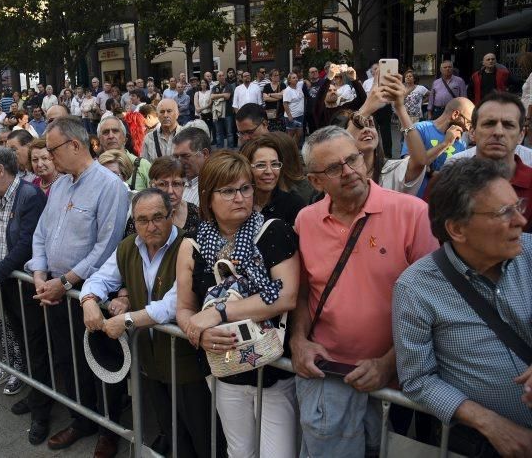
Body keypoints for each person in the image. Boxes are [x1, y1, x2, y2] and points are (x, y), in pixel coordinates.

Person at [291, 126, 439, 456]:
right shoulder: (305, 221)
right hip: (327, 376)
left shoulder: (412, 213)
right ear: (315, 181)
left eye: (352, 159)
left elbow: (434, 303)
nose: (348, 171)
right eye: (333, 168)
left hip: (397, 381)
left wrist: (390, 363)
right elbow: (301, 293)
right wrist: (298, 341)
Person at [393, 158, 532, 458]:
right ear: (457, 229)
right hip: (487, 447)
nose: (521, 221)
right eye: (504, 212)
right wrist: (491, 424)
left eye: (517, 206)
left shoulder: (531, 253)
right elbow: (417, 379)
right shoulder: (416, 287)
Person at [175, 151, 299, 458]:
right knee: (240, 451)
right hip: (224, 366)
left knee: (278, 454)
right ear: (207, 196)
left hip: (271, 368)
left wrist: (217, 312)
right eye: (228, 190)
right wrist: (198, 332)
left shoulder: (273, 231)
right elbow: (184, 309)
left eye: (245, 188)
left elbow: (286, 295)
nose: (239, 197)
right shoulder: (192, 244)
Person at [82, 189, 216, 457]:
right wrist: (88, 300)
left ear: (171, 216)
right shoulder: (129, 246)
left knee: (204, 435)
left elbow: (171, 305)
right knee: (172, 433)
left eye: (158, 217)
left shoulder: (188, 246)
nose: (151, 226)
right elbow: (100, 278)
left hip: (187, 364)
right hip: (150, 362)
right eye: (142, 220)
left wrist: (127, 320)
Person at [28, 116, 129, 455]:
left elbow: (108, 246)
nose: (48, 157)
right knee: (68, 359)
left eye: (52, 149)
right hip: (56, 290)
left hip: (91, 293)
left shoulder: (109, 185)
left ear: (74, 144)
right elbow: (41, 233)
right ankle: (81, 419)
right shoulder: (58, 185)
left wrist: (66, 280)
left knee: (101, 362)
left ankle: (109, 429)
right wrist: (41, 274)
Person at [0, 147, 50, 442]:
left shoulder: (29, 196)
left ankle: (42, 412)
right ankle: (36, 395)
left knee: (37, 347)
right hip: (6, 283)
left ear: (0, 171)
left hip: (27, 285)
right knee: (24, 343)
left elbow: (26, 245)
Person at [445, 91, 532, 231]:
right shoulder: (449, 181)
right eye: (489, 124)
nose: (498, 132)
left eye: (508, 125)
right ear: (472, 132)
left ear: (521, 135)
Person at [335, 72, 427, 196]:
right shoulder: (338, 172)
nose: (366, 129)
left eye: (371, 124)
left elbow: (420, 161)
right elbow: (336, 151)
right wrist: (366, 108)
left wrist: (400, 107)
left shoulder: (391, 170)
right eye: (360, 126)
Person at [401, 96, 474, 197]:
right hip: (416, 200)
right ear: (455, 114)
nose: (467, 129)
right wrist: (445, 144)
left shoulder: (461, 143)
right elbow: (408, 165)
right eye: (469, 123)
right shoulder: (420, 129)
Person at [126, 157, 201, 239]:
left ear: (183, 186)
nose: (170, 191)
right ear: (152, 186)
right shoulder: (140, 213)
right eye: (162, 184)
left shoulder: (195, 213)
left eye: (176, 184)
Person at [241, 136, 307, 225]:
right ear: (246, 168)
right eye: (261, 165)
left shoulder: (294, 204)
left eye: (274, 164)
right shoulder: (237, 203)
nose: (269, 171)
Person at [98, 116, 151, 191]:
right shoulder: (96, 169)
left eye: (115, 131)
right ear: (99, 139)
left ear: (124, 138)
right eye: (105, 132)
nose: (111, 136)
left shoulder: (143, 166)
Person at [172, 127, 211, 206]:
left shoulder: (216, 186)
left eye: (185, 156)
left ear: (204, 154)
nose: (179, 161)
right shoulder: (175, 184)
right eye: (176, 157)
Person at [282, 72, 305, 143]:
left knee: (299, 134)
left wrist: (306, 81)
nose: (296, 79)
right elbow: (285, 104)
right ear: (289, 81)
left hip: (300, 115)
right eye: (293, 78)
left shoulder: (299, 87)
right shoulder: (287, 90)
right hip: (292, 116)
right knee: (290, 135)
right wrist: (289, 116)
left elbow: (303, 81)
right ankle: (287, 151)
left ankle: (294, 149)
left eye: (296, 77)